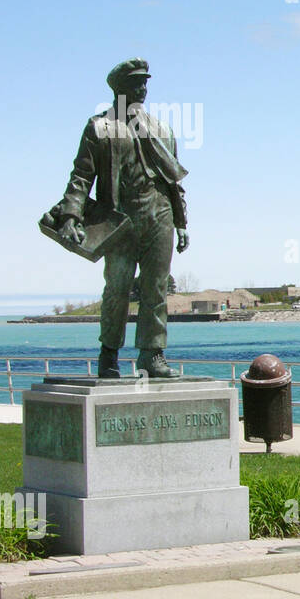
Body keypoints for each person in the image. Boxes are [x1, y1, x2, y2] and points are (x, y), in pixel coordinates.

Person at [49, 59, 190, 378]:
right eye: (136, 84)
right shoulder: (99, 128)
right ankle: (109, 355)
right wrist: (71, 214)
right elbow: (81, 177)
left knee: (156, 288)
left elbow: (173, 182)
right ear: (119, 89)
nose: (143, 89)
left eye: (145, 83)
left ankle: (152, 355)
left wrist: (181, 223)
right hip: (121, 221)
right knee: (117, 289)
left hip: (160, 216)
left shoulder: (161, 129)